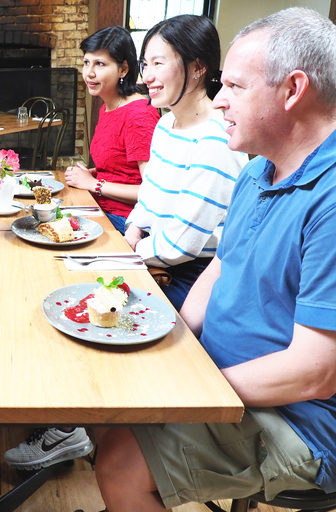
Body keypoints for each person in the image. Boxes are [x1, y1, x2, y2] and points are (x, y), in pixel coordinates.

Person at [94, 8, 336, 511]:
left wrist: (193, 387)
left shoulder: (330, 202)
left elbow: (315, 372)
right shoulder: (256, 173)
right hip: (223, 376)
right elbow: (220, 266)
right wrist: (172, 342)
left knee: (118, 461)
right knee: (108, 394)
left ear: (292, 91)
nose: (220, 100)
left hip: (298, 417)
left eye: (236, 87)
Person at [124, 15, 247, 310]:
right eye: (144, 65)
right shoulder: (166, 124)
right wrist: (133, 230)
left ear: (197, 67)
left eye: (158, 63)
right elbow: (149, 197)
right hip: (153, 251)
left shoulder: (216, 139)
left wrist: (128, 252)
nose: (145, 77)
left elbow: (183, 243)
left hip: (191, 275)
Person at [65, 26, 160, 234]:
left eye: (100, 64)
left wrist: (94, 184)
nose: (89, 73)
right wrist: (90, 174)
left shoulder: (139, 115)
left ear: (123, 69)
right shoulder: (108, 107)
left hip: (125, 220)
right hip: (101, 207)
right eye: (86, 62)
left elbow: (152, 191)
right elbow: (120, 169)